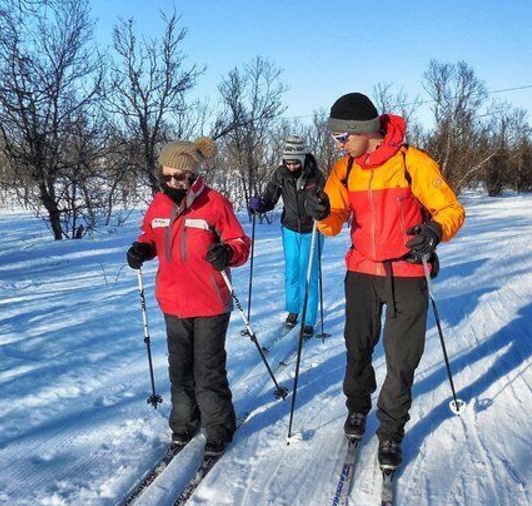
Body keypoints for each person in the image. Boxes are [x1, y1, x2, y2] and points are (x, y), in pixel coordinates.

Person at [304, 92, 466, 471]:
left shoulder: (413, 162)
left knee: (401, 357)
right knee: (357, 348)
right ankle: (358, 408)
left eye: (342, 137)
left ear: (363, 130)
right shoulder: (344, 170)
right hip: (361, 272)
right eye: (334, 140)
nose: (338, 145)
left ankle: (391, 429)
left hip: (406, 272)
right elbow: (330, 225)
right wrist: (322, 213)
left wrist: (435, 231)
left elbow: (451, 209)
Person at [125, 137, 251, 456]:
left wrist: (227, 252)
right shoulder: (158, 204)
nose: (172, 183)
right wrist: (142, 249)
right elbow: (150, 236)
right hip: (173, 301)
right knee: (179, 368)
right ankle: (184, 421)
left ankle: (219, 426)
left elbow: (239, 242)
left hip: (210, 300)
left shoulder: (214, 203)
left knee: (207, 369)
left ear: (193, 176)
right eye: (165, 177)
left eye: (179, 177)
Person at [248, 136, 325, 336]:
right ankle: (293, 309)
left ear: (302, 159)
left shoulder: (315, 176)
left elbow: (324, 201)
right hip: (290, 227)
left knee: (308, 275)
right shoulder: (280, 174)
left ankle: (309, 319)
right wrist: (260, 205)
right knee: (292, 272)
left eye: (295, 162)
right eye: (287, 162)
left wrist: (321, 207)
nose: (291, 166)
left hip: (312, 229)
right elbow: (270, 198)